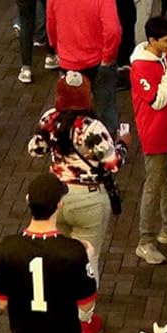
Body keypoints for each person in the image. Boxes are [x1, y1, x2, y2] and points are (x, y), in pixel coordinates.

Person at [0, 172, 98, 333]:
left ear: (28, 200)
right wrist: (87, 259)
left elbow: (1, 302)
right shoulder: (73, 252)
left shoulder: (8, 247)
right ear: (59, 205)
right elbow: (86, 304)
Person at [28, 72, 123, 280]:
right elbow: (113, 164)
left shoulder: (50, 119)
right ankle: (86, 302)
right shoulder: (92, 127)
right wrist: (123, 144)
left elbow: (35, 149)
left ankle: (61, 298)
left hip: (57, 197)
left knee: (59, 257)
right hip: (89, 200)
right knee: (88, 258)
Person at [130, 15, 167, 264]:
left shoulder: (165, 56)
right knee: (153, 187)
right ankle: (144, 241)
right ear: (152, 40)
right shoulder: (141, 67)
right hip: (155, 135)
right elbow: (157, 100)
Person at [47, 0, 123, 132]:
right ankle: (108, 143)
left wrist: (56, 47)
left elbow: (51, 24)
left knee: (70, 109)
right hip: (98, 62)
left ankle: (70, 141)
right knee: (106, 108)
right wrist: (108, 56)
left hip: (68, 61)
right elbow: (112, 30)